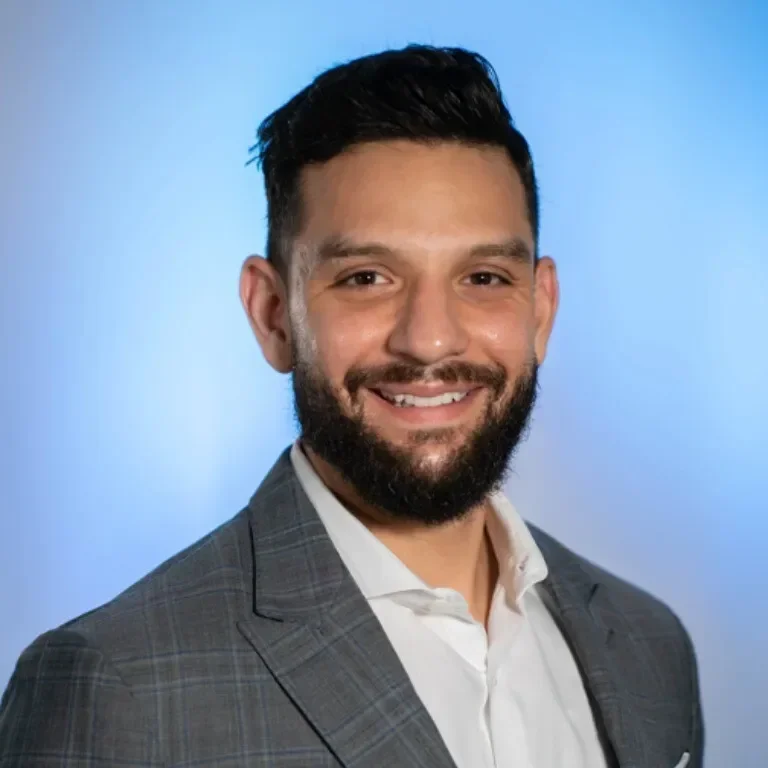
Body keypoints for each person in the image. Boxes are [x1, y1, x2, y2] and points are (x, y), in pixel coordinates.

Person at [0, 45, 703, 768]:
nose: (430, 338)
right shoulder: (117, 688)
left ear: (541, 310)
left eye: (485, 276)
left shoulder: (648, 650)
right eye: (367, 277)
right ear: (274, 315)